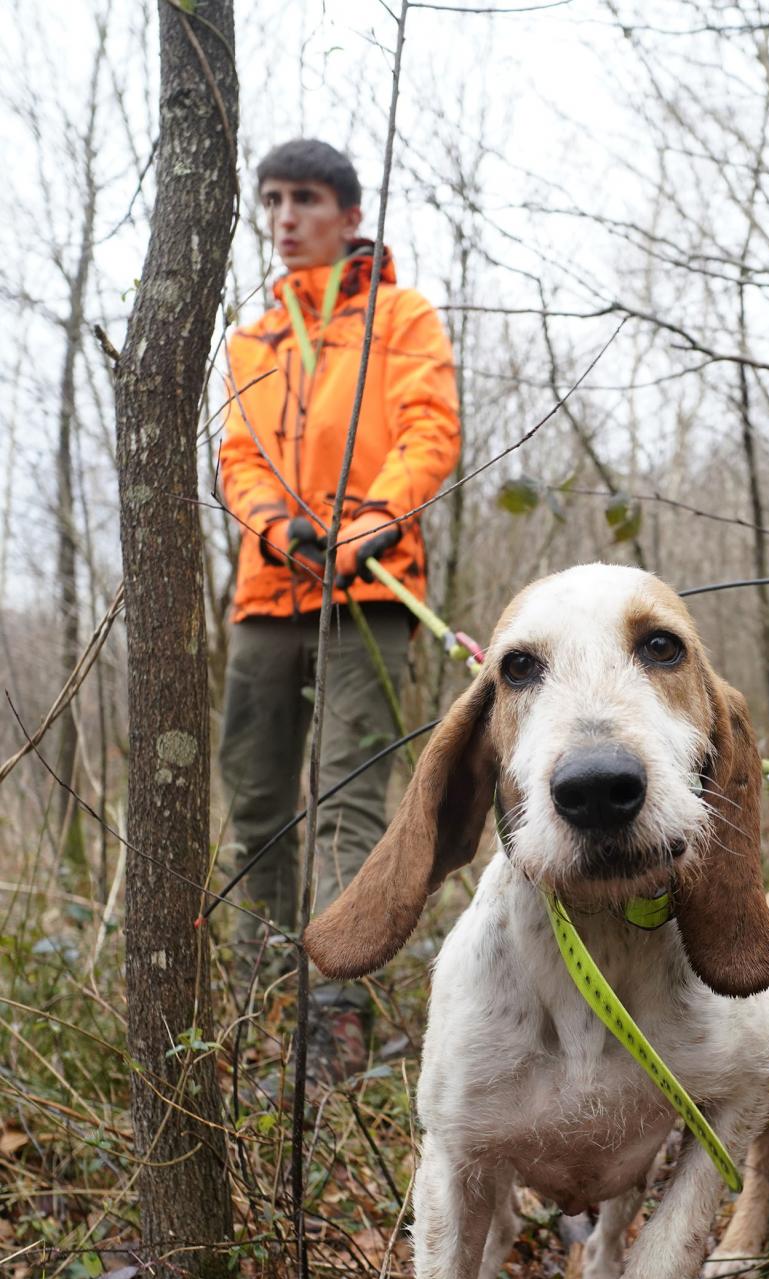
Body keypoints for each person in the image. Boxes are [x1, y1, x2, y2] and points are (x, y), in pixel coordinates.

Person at [218, 138, 461, 1074]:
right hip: (268, 591)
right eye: (272, 200)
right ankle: (254, 990)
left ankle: (334, 1010)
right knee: (257, 799)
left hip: (372, 587)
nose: (285, 217)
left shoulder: (402, 316)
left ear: (349, 215)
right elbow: (239, 457)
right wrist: (280, 526)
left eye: (305, 200)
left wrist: (367, 521)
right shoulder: (255, 337)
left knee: (352, 799)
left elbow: (429, 430)